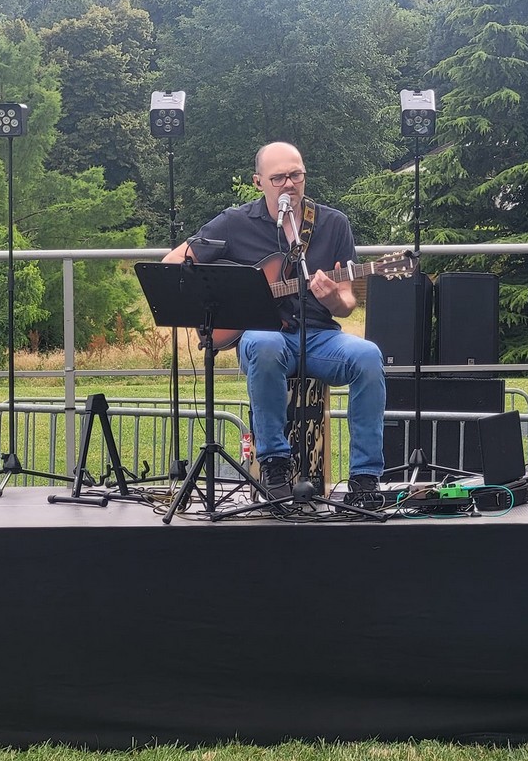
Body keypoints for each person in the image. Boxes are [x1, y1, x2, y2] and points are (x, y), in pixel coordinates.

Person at [162, 141, 385, 500]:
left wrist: (334, 297)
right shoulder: (234, 223)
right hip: (264, 334)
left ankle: (365, 478)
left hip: (319, 335)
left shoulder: (332, 223)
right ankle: (274, 464)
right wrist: (229, 297)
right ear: (258, 182)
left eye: (295, 175)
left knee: (368, 355)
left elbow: (348, 303)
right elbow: (174, 263)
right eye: (278, 177)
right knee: (263, 345)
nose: (288, 184)